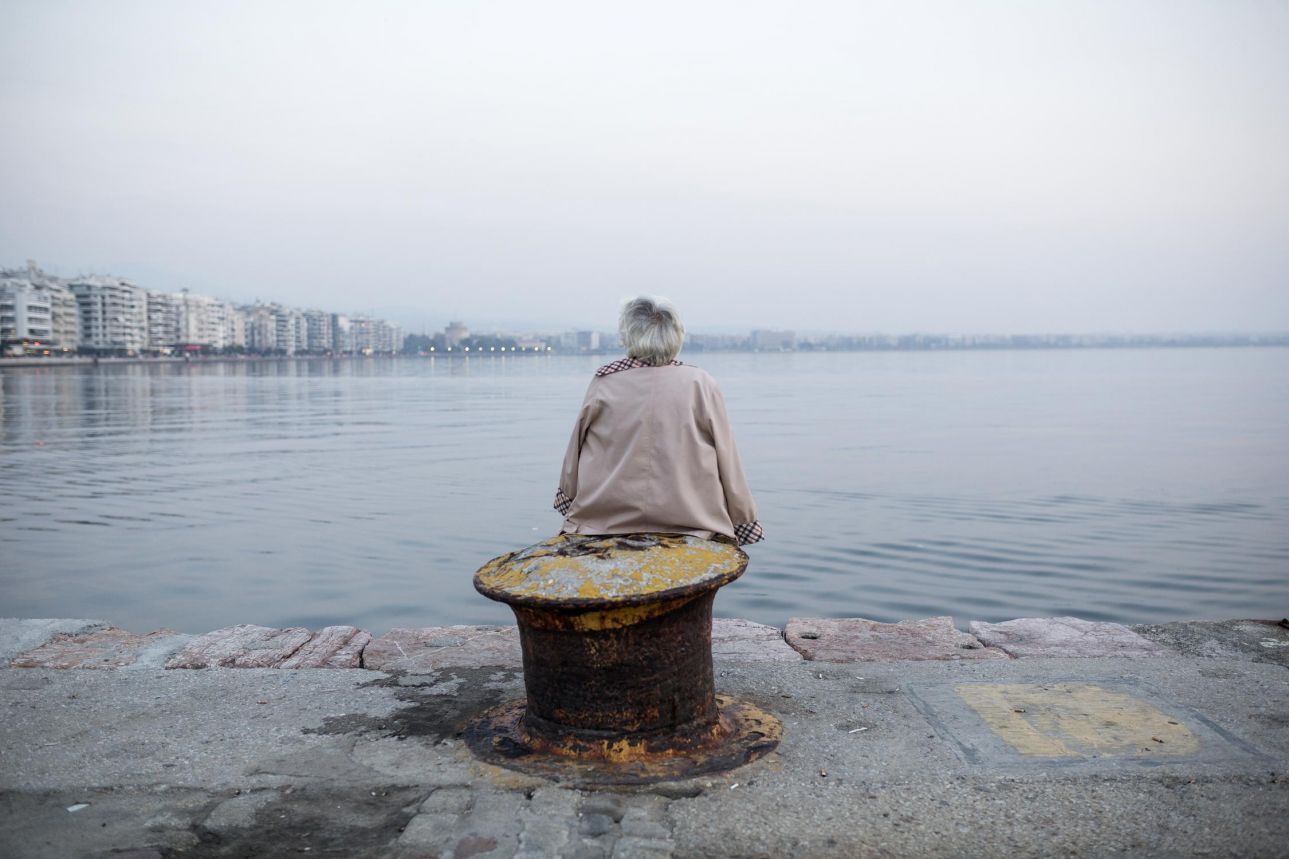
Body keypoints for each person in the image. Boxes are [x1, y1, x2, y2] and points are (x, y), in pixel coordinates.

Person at [554, 296, 764, 546]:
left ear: (628, 336)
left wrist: (567, 498)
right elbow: (728, 459)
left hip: (604, 521)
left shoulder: (605, 382)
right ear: (676, 336)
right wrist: (743, 520)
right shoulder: (700, 383)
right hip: (693, 521)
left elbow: (575, 451)